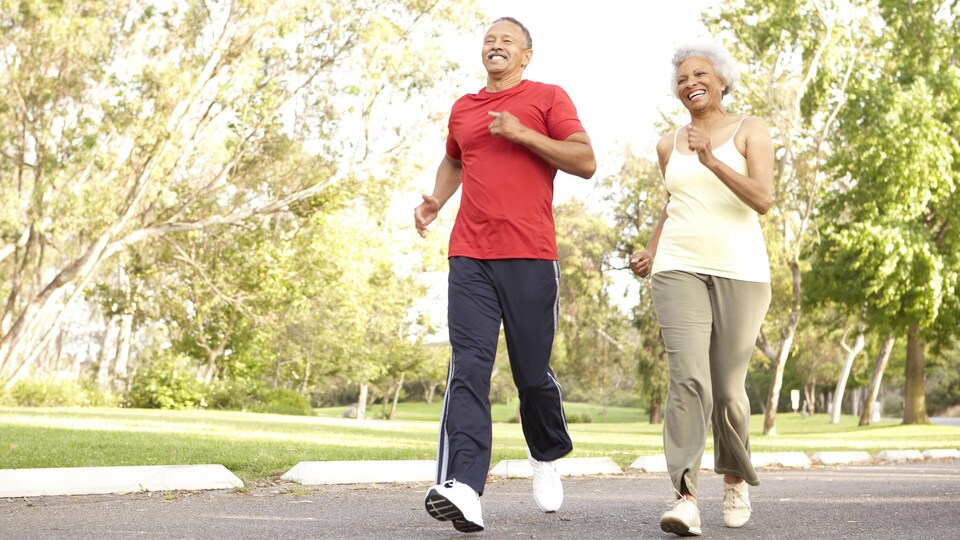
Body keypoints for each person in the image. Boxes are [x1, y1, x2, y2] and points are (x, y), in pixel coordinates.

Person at [414, 16, 596, 534]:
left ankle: (546, 453)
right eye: (489, 40)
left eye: (506, 41)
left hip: (531, 255)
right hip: (469, 253)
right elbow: (454, 159)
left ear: (526, 55)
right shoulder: (464, 108)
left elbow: (585, 161)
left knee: (531, 372)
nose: (495, 46)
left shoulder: (547, 98)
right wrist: (435, 201)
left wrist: (523, 134)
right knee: (468, 366)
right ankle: (464, 487)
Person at [629, 41, 774, 537]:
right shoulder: (669, 143)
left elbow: (762, 199)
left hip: (742, 271)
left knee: (729, 390)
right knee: (688, 379)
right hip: (679, 267)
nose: (690, 82)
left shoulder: (750, 129)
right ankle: (686, 496)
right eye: (682, 77)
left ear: (721, 81)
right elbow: (674, 203)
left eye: (700, 74)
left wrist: (713, 159)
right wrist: (651, 249)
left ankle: (734, 477)